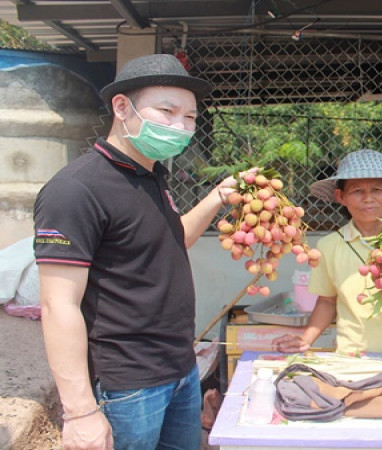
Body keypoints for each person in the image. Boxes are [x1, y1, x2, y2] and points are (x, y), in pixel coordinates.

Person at [34, 54, 240, 450]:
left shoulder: (150, 176)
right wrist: (80, 411)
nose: (180, 126)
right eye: (167, 111)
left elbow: (172, 239)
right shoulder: (75, 190)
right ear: (122, 107)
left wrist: (217, 197)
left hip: (179, 370)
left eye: (190, 117)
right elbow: (57, 304)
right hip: (127, 386)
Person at [273, 150, 382, 356]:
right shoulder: (328, 246)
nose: (368, 198)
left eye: (377, 190)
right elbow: (327, 300)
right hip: (355, 356)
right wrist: (305, 338)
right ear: (341, 196)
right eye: (357, 191)